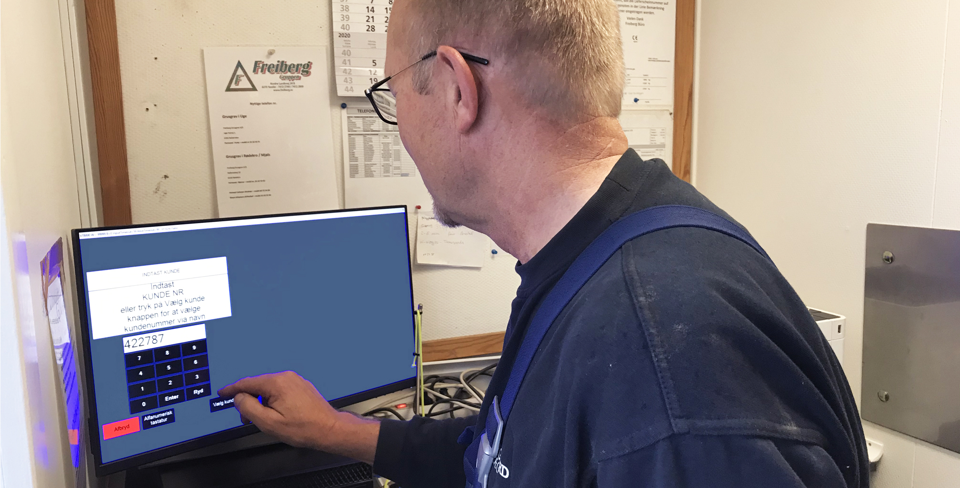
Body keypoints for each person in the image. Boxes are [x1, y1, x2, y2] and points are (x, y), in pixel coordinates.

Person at [218, 0, 869, 486]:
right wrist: (337, 431)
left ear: (457, 88)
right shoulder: (589, 257)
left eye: (392, 94)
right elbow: (507, 454)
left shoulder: (660, 350)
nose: (400, 129)